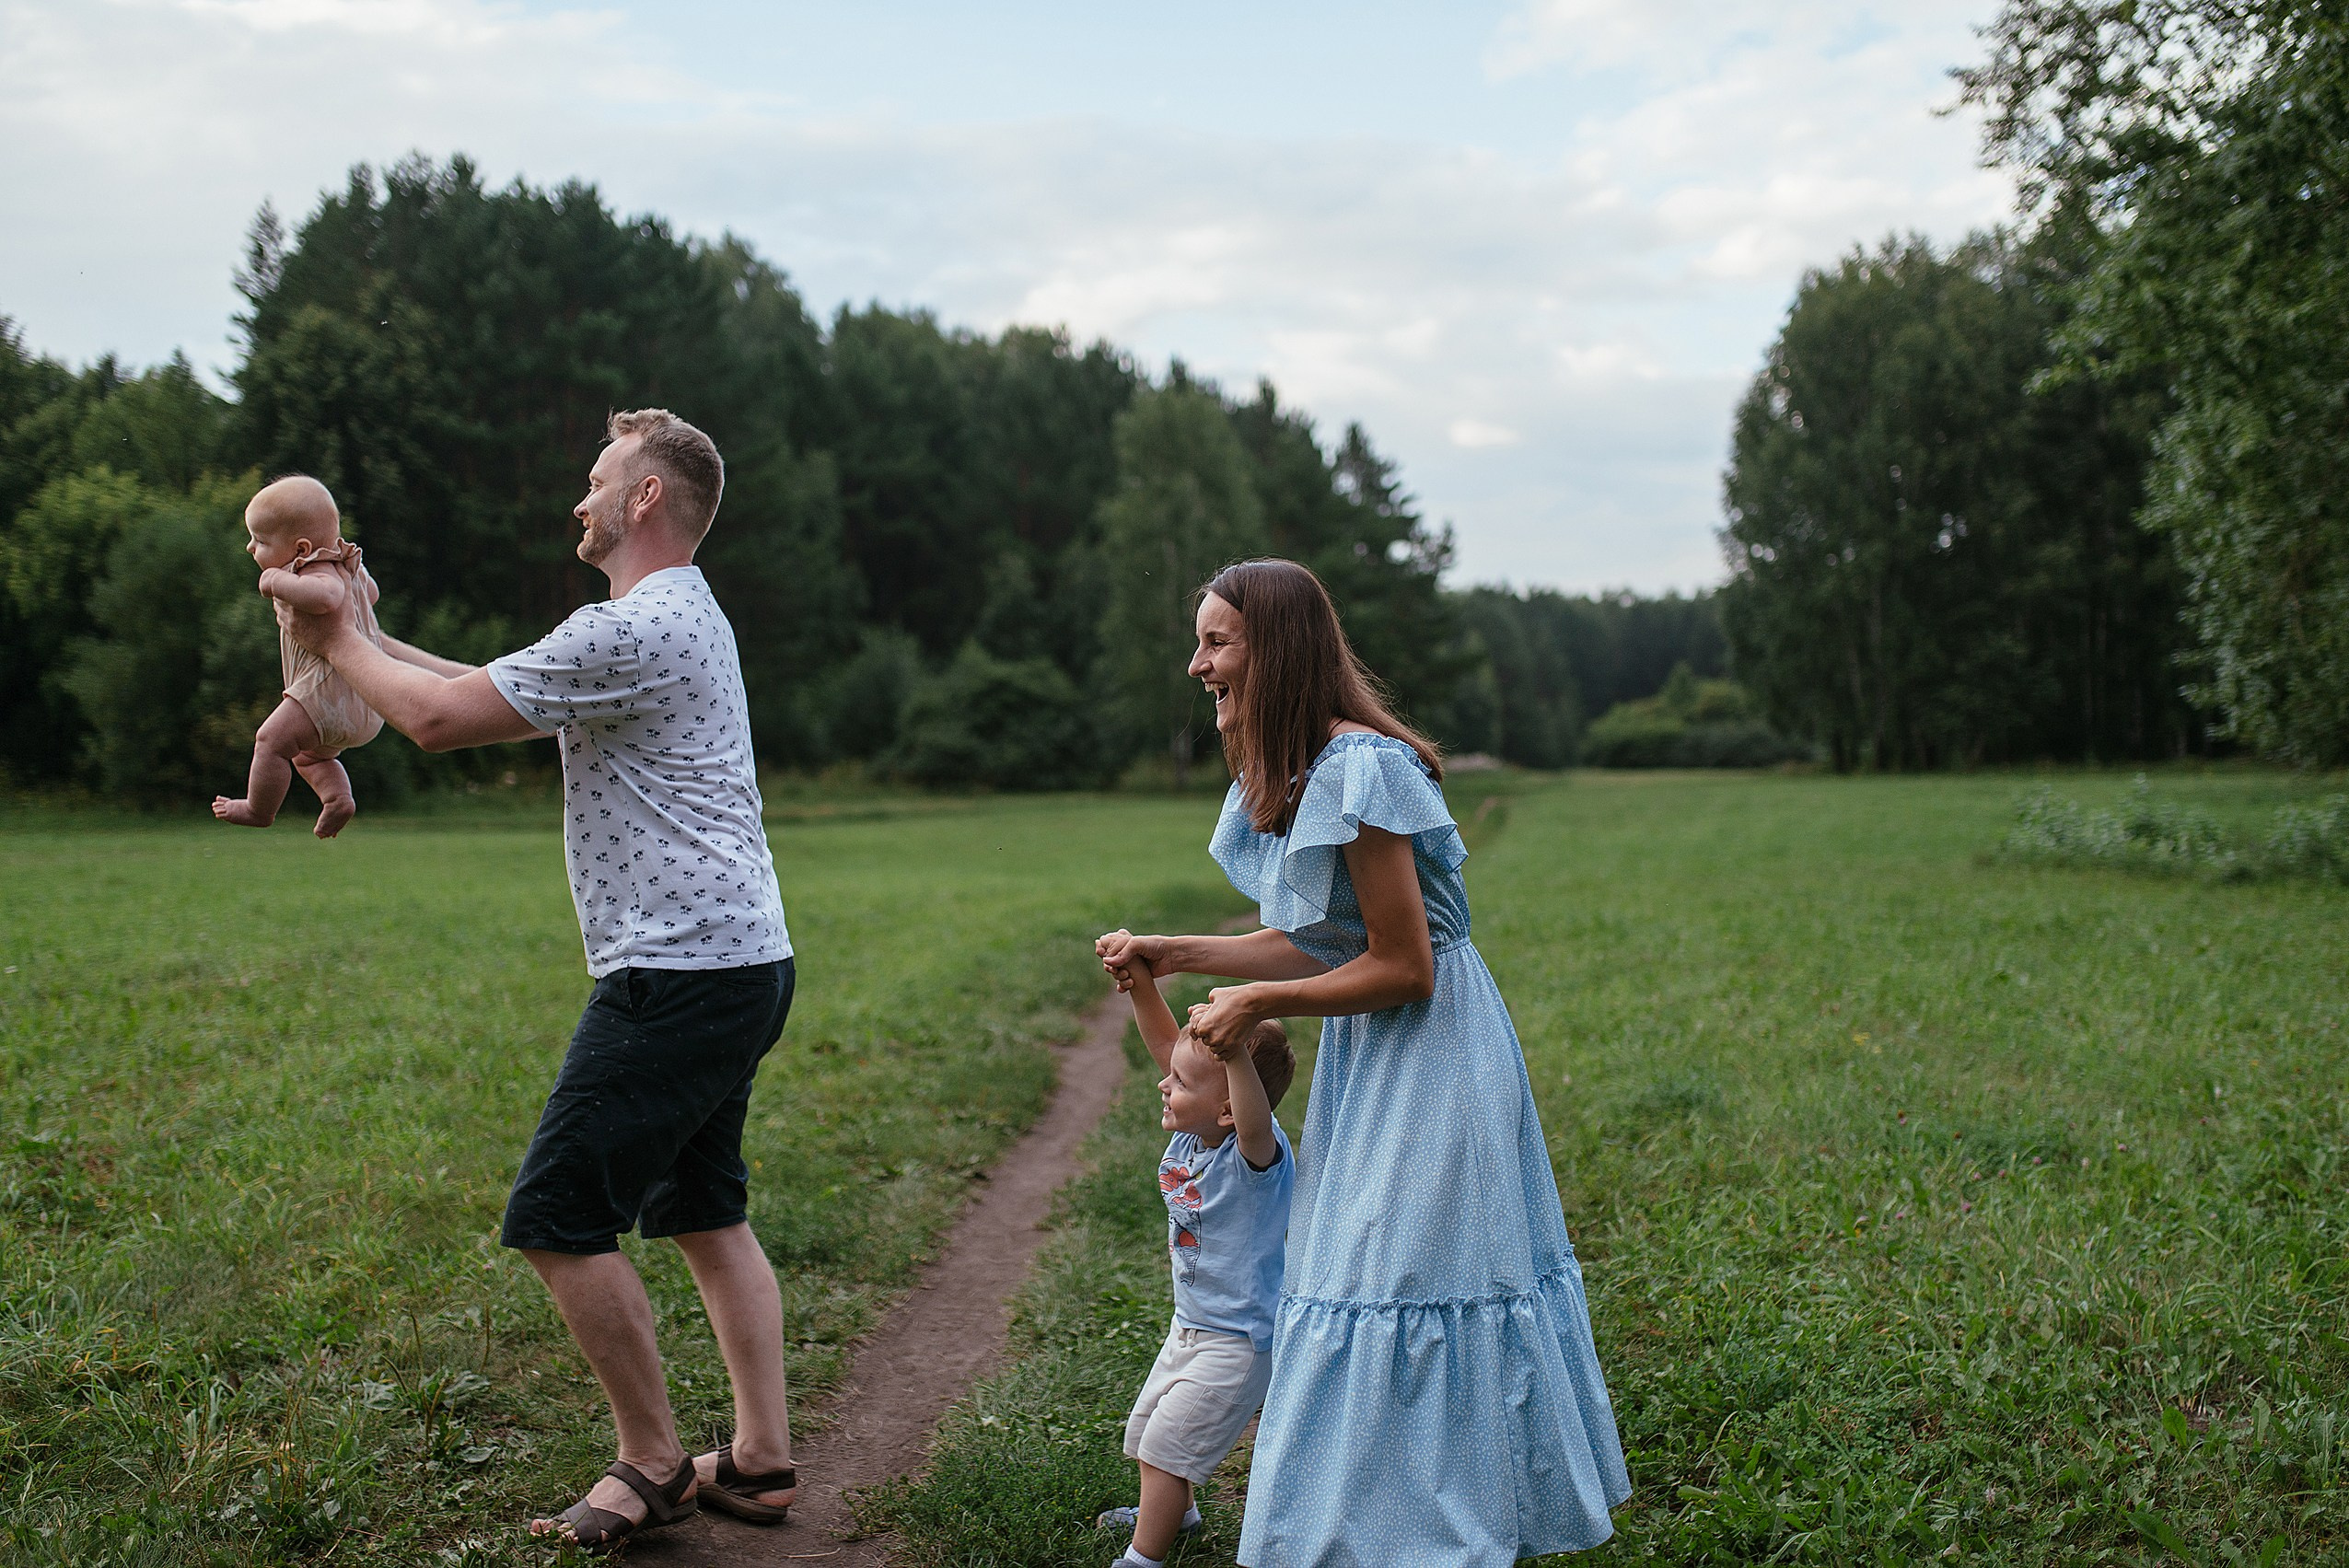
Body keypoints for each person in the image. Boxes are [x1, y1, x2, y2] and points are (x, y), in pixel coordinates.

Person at [278, 409, 803, 1554]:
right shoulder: (667, 618)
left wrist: (332, 630)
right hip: (739, 960)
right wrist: (358, 625)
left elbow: (432, 716)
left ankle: (655, 1459)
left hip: (676, 973)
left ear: (647, 497)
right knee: (706, 1210)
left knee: (557, 1217)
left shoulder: (637, 625)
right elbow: (470, 678)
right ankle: (757, 1459)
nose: (582, 492)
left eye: (598, 475)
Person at [1097, 558, 1630, 1566]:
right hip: (1371, 1054)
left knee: (1410, 1271)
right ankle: (1362, 1518)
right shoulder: (1298, 776)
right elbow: (1320, 938)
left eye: (1218, 641)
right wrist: (1185, 953)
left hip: (1431, 1053)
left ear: (1277, 648)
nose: (1196, 661)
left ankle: (1439, 1519)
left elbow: (1404, 964)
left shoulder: (1364, 767)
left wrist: (1262, 1000)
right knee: (1352, 1273)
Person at [1089, 937, 1296, 1568]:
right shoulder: (1194, 1128)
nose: (1163, 1082)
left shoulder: (1252, 1153)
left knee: (1165, 1450)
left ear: (1229, 1107)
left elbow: (1252, 1117)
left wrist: (1232, 1052)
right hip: (1191, 1326)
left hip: (1236, 1340)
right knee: (1146, 1431)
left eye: (1179, 1083)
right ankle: (1177, 1512)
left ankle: (1143, 1557)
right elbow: (1167, 1045)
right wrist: (1140, 982)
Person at [212, 475, 385, 838]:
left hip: (329, 692)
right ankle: (337, 797)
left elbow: (327, 597)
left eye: (259, 541)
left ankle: (258, 809)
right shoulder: (348, 565)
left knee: (270, 741)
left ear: (301, 549)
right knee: (308, 755)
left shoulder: (316, 570)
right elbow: (370, 594)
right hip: (368, 697)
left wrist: (277, 581)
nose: (250, 548)